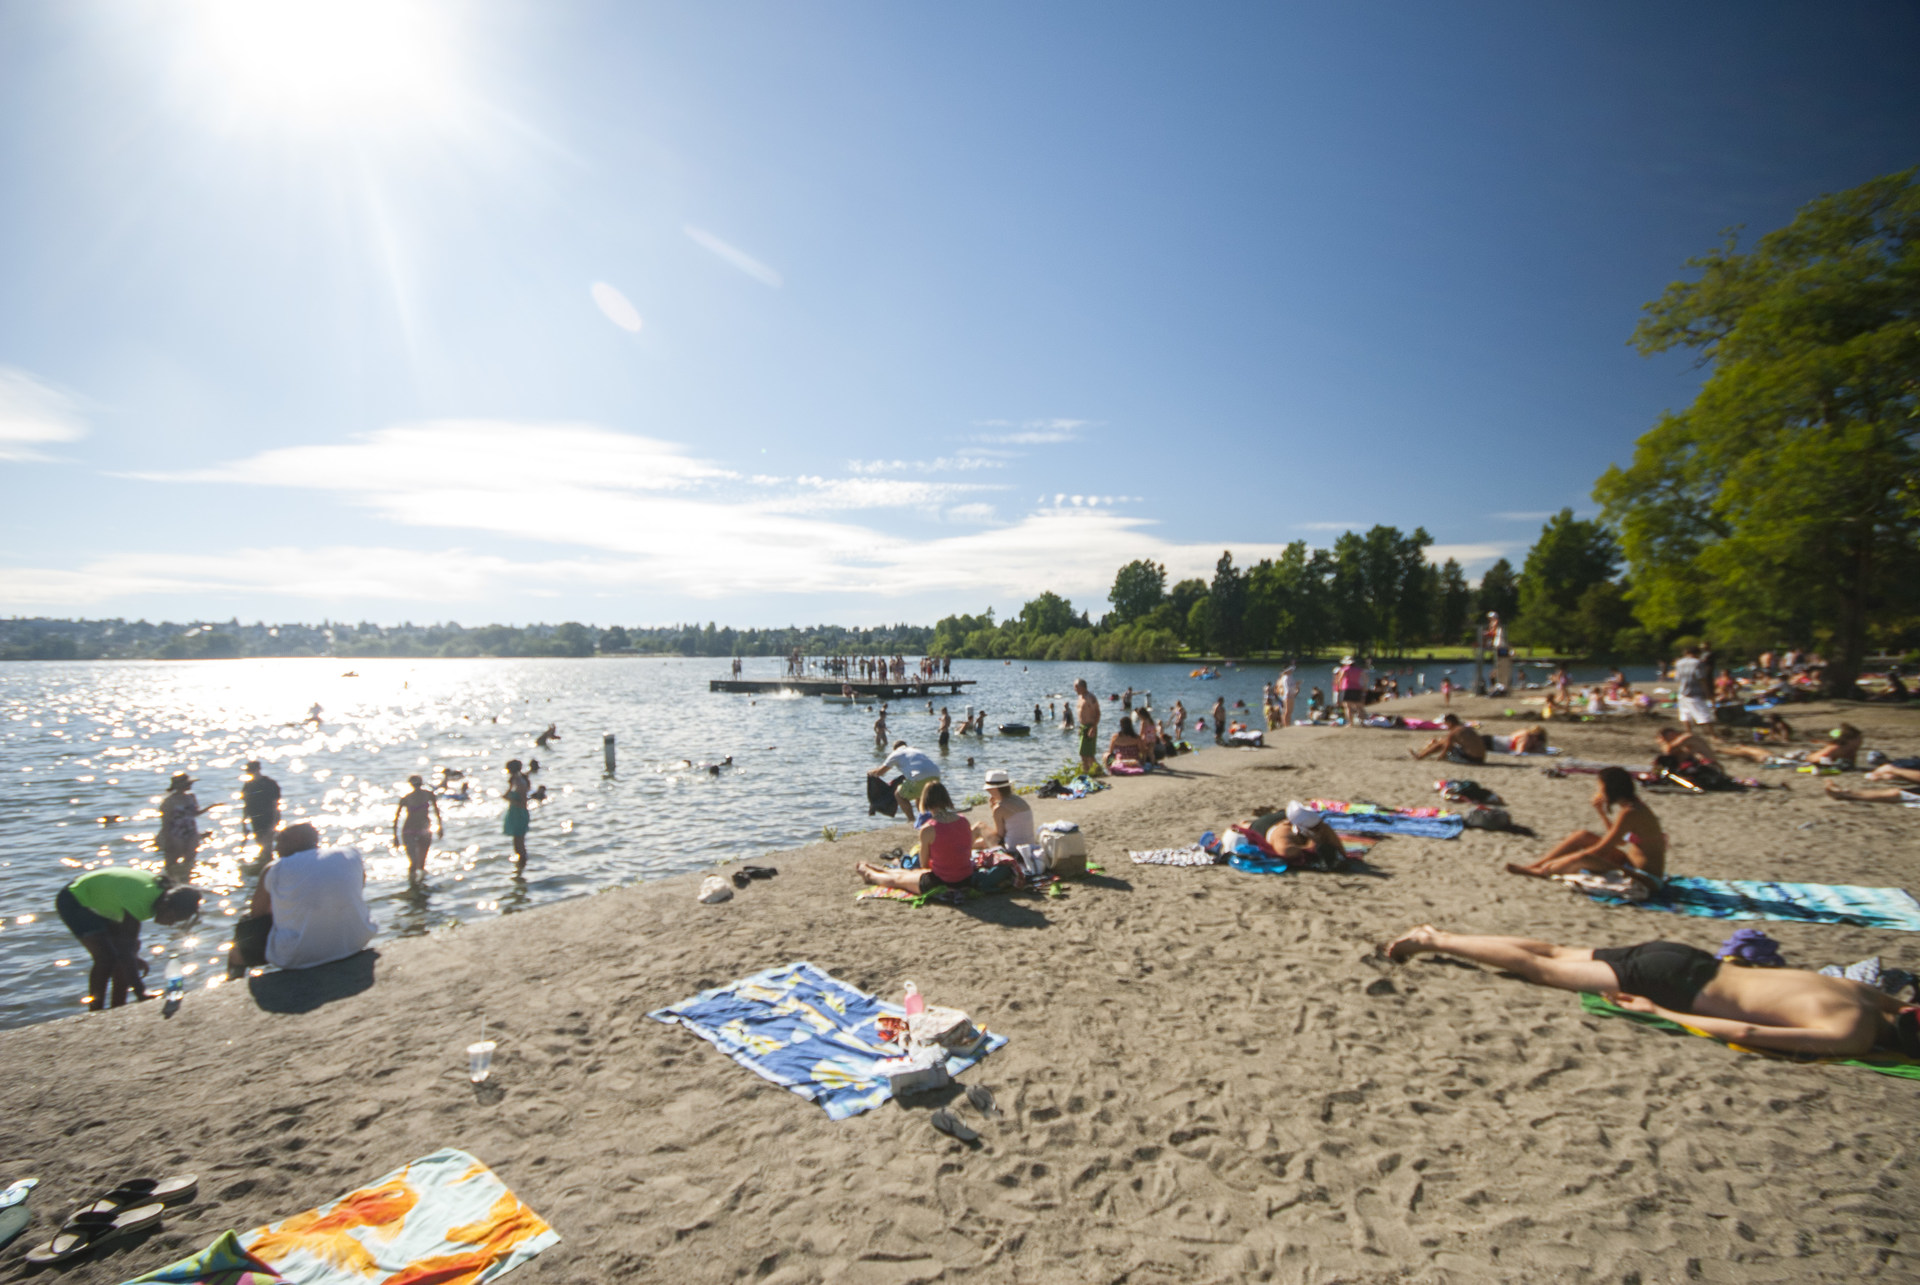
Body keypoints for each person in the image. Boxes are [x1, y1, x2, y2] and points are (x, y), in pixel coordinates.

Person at [1375, 925, 1920, 1058]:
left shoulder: (1865, 996)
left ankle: (1438, 933)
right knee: (1542, 972)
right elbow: (1749, 1031)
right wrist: (1661, 1011)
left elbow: (1906, 1003)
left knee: (1557, 952)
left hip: (1690, 956)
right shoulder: (1853, 1032)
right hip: (1673, 983)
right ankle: (1436, 940)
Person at [226, 823, 377, 978]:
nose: (275, 848)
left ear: (297, 840)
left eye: (280, 840)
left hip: (298, 956)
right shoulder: (350, 854)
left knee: (246, 924)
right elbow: (358, 888)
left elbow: (257, 914)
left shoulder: (275, 868)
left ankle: (233, 978)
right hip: (356, 942)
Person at [56, 868, 202, 1010]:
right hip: (74, 899)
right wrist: (141, 991)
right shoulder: (141, 901)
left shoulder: (161, 894)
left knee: (125, 958)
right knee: (106, 958)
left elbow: (126, 950)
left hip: (103, 899)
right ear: (165, 904)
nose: (170, 923)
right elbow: (125, 952)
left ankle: (118, 1007)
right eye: (172, 917)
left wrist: (132, 957)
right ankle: (96, 1007)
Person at [1505, 766, 1665, 890]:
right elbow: (1621, 842)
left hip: (1646, 879)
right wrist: (1601, 812)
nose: (1599, 791)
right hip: (1630, 863)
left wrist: (1564, 860)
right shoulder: (1632, 807)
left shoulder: (1631, 812)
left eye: (1601, 788)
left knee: (1583, 857)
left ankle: (1543, 871)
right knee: (1582, 836)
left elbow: (1603, 849)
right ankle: (1536, 865)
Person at [856, 782, 980, 894]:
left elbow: (924, 865)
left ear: (926, 800)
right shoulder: (963, 820)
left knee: (898, 880)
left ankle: (869, 874)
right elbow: (966, 852)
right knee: (910, 875)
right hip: (966, 878)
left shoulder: (928, 829)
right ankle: (877, 869)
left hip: (941, 881)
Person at [1248, 801, 1347, 871]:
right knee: (1247, 826)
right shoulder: (1282, 833)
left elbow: (1341, 851)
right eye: (1314, 828)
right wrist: (1310, 846)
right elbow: (1286, 851)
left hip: (1285, 816)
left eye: (1318, 827)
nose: (1319, 830)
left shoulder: (1321, 826)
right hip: (1263, 825)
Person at [157, 773, 220, 879]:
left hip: (191, 829)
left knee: (190, 857)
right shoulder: (169, 801)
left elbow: (195, 813)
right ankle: (170, 879)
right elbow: (165, 820)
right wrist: (167, 837)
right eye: (188, 783)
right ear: (180, 785)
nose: (190, 785)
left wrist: (211, 807)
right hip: (175, 831)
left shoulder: (191, 797)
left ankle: (186, 878)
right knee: (173, 858)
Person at [869, 740, 941, 816]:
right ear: (905, 745)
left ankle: (911, 820)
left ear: (894, 748)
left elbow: (880, 772)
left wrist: (870, 772)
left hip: (919, 775)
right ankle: (925, 818)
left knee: (899, 794)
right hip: (935, 774)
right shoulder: (915, 750)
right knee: (919, 795)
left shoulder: (895, 753)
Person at [393, 775, 444, 879]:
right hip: (409, 830)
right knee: (414, 862)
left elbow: (436, 811)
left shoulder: (429, 795)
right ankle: (412, 883)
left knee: (421, 864)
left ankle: (420, 884)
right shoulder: (406, 799)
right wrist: (395, 837)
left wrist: (440, 827)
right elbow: (396, 818)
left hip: (424, 829)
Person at [971, 769, 1036, 849]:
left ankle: (960, 848)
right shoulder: (1020, 800)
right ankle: (964, 846)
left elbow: (999, 835)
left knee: (979, 826)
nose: (988, 791)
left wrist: (993, 809)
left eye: (989, 790)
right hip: (1029, 845)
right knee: (979, 842)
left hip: (1011, 849)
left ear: (994, 789)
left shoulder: (999, 808)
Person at [241, 760, 281, 862]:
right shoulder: (248, 786)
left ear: (258, 769)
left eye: (252, 770)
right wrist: (244, 824)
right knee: (260, 842)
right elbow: (246, 806)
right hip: (255, 818)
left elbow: (275, 805)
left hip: (269, 817)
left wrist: (274, 823)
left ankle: (267, 863)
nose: (250, 772)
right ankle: (264, 862)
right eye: (249, 770)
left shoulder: (270, 784)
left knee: (267, 843)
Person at [1411, 712, 1487, 764]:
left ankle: (1420, 756)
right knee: (1444, 740)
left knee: (1443, 742)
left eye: (1446, 724)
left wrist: (1441, 757)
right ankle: (1421, 754)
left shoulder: (1454, 732)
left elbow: (1448, 747)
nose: (1446, 726)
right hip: (1481, 758)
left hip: (1472, 760)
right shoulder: (1466, 728)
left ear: (1450, 723)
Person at [1673, 645, 1713, 729]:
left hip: (1682, 691)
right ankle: (1713, 735)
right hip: (1695, 691)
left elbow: (1677, 678)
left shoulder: (1679, 663)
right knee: (1704, 714)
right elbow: (1702, 679)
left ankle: (1689, 732)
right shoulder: (1698, 663)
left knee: (1685, 714)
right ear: (1697, 653)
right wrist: (1708, 693)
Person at [501, 759, 532, 872]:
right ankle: (520, 868)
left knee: (519, 845)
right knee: (516, 844)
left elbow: (523, 804)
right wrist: (508, 795)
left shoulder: (520, 783)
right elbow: (506, 794)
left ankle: (521, 868)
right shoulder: (515, 781)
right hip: (514, 813)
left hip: (519, 813)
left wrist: (510, 799)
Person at [1074, 678, 1101, 774]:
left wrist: (1093, 727)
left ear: (1082, 687)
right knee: (1085, 754)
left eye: (1076, 687)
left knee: (1087, 754)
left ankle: (1088, 773)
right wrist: (1080, 727)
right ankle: (1094, 772)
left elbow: (1097, 713)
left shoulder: (1090, 697)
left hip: (1090, 727)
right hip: (1083, 727)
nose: (1075, 689)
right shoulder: (1080, 697)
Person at [1332, 656, 1367, 728]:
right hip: (1357, 688)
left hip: (1347, 689)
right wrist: (1363, 686)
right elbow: (1365, 678)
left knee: (1347, 707)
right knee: (1359, 706)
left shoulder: (1345, 669)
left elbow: (1339, 679)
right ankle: (1362, 722)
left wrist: (1338, 687)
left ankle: (1350, 723)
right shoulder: (1359, 670)